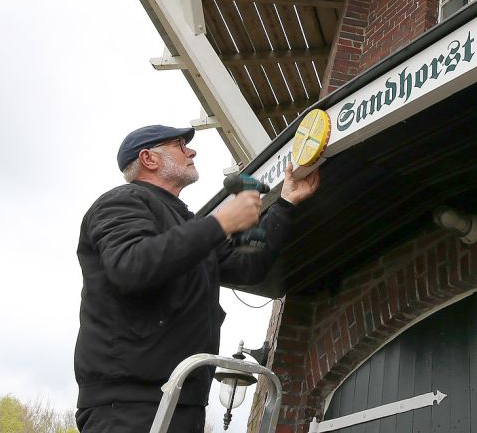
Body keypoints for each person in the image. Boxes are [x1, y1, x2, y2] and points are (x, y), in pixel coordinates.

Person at [74, 125, 319, 433]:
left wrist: (283, 204)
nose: (191, 151)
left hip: (185, 401)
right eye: (180, 145)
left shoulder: (188, 223)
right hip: (127, 407)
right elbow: (130, 266)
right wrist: (221, 222)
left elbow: (247, 267)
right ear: (149, 159)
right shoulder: (121, 202)